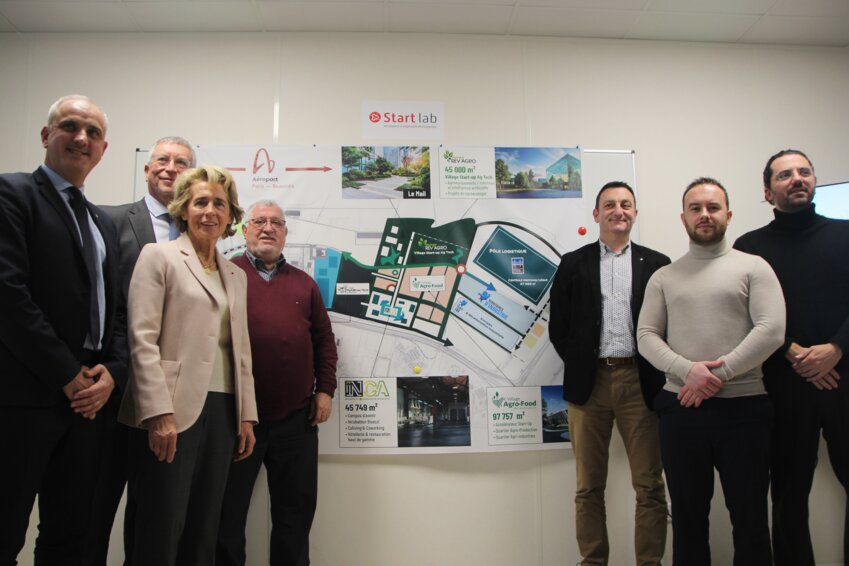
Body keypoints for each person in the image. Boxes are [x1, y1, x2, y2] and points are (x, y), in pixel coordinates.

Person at [0, 94, 126, 565]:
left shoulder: (100, 222)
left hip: (90, 403)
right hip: (25, 397)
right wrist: (65, 372)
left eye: (93, 132)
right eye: (70, 126)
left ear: (103, 148)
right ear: (46, 135)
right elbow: (9, 295)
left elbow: (114, 312)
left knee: (71, 535)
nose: (81, 138)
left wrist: (111, 370)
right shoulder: (12, 194)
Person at [637, 177, 785, 566]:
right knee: (687, 519)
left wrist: (716, 376)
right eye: (696, 208)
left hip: (746, 411)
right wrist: (689, 373)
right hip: (681, 410)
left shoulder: (754, 267)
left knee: (751, 518)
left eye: (713, 208)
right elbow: (646, 336)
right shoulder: (664, 277)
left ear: (728, 215)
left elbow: (771, 331)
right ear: (683, 218)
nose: (705, 215)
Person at [118, 165, 258, 566]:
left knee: (204, 528)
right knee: (161, 525)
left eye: (220, 203)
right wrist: (158, 412)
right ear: (183, 209)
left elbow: (241, 350)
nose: (210, 211)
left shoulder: (235, 274)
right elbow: (141, 339)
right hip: (171, 410)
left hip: (223, 412)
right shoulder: (158, 256)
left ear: (231, 216)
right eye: (201, 202)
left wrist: (247, 416)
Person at [734, 149, 849, 566]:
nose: (797, 179)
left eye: (804, 172)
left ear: (814, 180)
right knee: (787, 493)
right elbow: (743, 314)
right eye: (785, 175)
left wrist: (836, 349)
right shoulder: (749, 248)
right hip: (785, 384)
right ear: (768, 192)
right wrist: (794, 352)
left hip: (845, 380)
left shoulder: (846, 234)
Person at [86, 136, 196, 565]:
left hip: (169, 402)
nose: (171, 167)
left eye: (181, 162)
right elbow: (98, 301)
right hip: (111, 392)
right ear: (147, 169)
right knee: (92, 510)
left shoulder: (201, 235)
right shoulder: (108, 220)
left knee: (153, 520)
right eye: (162, 160)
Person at [549, 181, 669, 565]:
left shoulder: (658, 265)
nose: (619, 210)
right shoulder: (573, 263)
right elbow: (559, 328)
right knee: (588, 488)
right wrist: (584, 363)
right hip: (590, 386)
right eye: (610, 205)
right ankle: (593, 561)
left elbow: (669, 327)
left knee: (650, 487)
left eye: (626, 204)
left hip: (641, 383)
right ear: (597, 214)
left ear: (635, 212)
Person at [217, 200, 338, 566]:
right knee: (227, 517)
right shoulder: (225, 275)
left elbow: (324, 341)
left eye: (276, 223)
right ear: (244, 229)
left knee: (294, 517)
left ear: (285, 233)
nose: (268, 228)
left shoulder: (305, 283)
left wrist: (325, 389)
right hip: (236, 420)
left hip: (296, 421)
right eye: (259, 222)